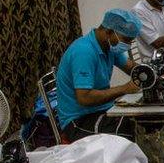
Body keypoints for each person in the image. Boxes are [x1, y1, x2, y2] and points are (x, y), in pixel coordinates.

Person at [56, 8, 143, 141]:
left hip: (102, 110)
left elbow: (132, 68)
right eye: (126, 40)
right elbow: (85, 98)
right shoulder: (84, 52)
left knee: (146, 119)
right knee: (136, 130)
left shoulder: (109, 47)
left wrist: (150, 73)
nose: (128, 45)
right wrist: (125, 89)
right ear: (108, 31)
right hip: (78, 120)